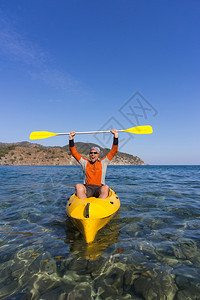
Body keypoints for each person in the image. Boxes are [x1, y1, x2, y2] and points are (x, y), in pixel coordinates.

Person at [69, 129, 118, 199]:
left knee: (106, 187)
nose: (92, 154)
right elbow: (74, 152)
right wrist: (71, 138)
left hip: (99, 188)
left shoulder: (103, 162)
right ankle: (84, 204)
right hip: (87, 188)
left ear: (98, 155)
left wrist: (115, 136)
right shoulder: (85, 162)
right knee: (78, 186)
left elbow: (114, 151)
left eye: (95, 153)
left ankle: (100, 205)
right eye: (91, 153)